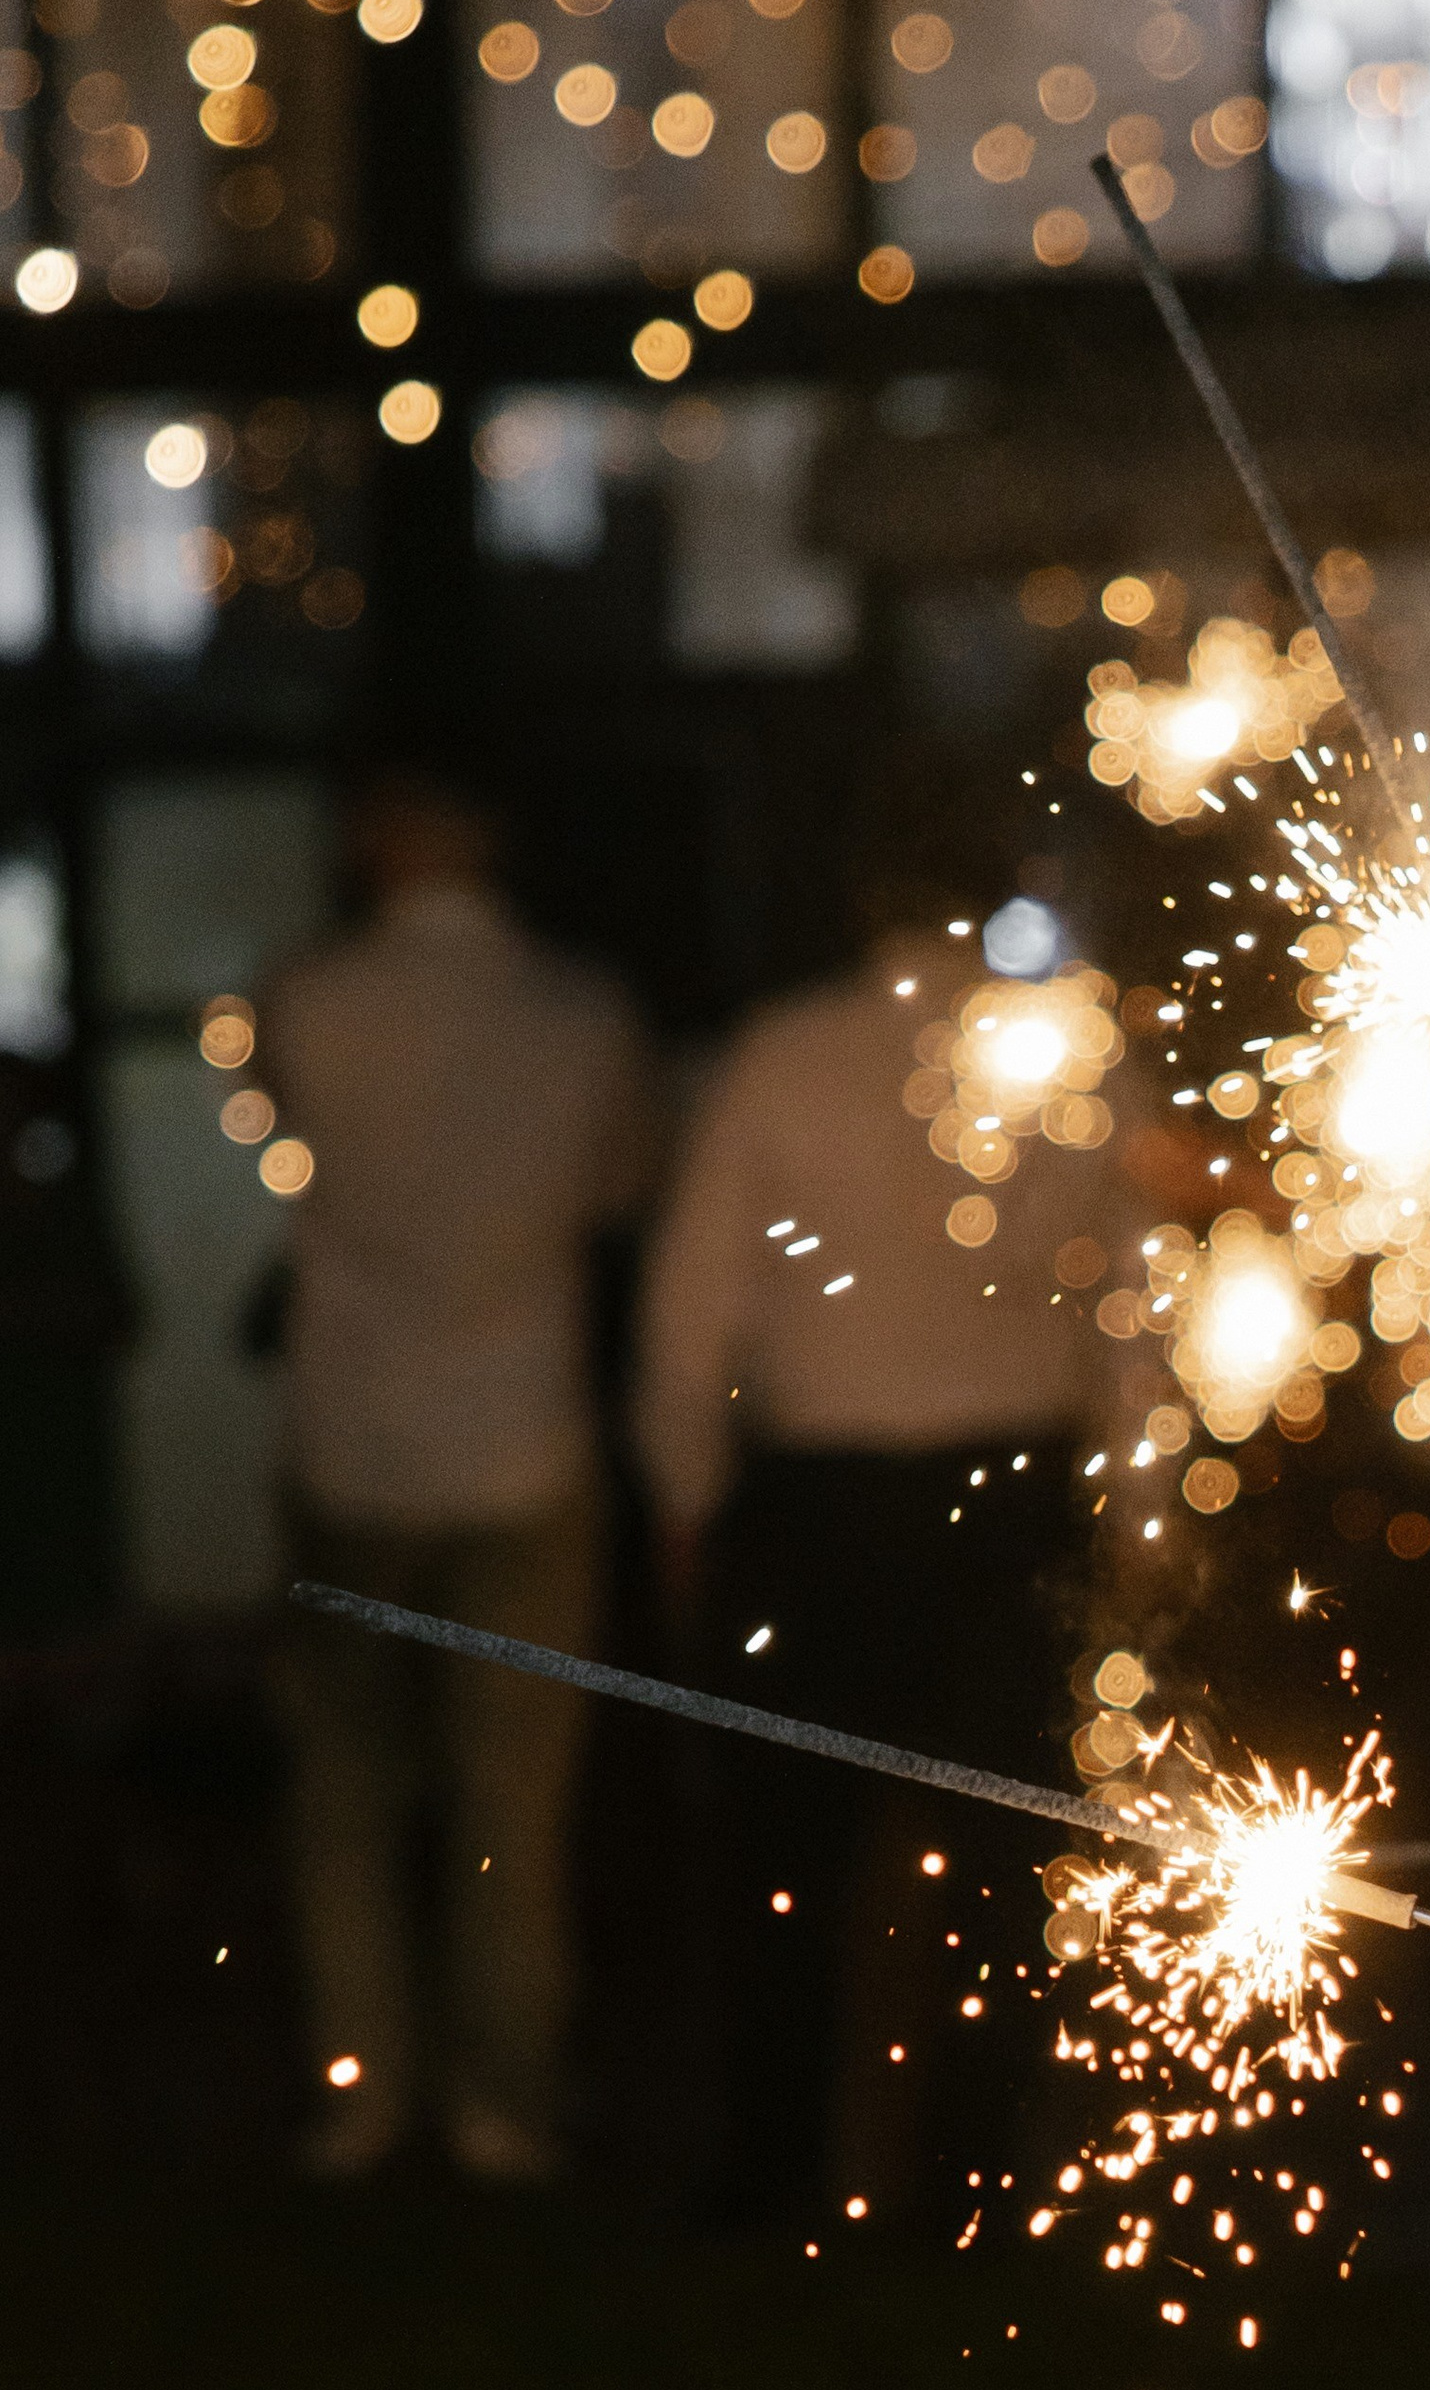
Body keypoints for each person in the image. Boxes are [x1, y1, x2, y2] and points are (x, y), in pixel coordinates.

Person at [638, 892, 1124, 2232]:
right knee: (995, 1863)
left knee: (787, 1859)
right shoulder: (1066, 1054)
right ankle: (969, 2183)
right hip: (1011, 1496)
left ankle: (776, 2173)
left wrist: (688, 1497)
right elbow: (1125, 1296)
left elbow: (692, 1307)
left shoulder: (783, 1052)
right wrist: (1143, 1512)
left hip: (821, 1507)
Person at [270, 766, 656, 2184]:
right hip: (521, 1441)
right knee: (513, 1807)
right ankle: (503, 2107)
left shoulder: (301, 998)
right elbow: (620, 1193)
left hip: (353, 1435)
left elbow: (287, 1162)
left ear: (379, 844)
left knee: (346, 1796)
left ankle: (361, 2094)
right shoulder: (580, 1013)